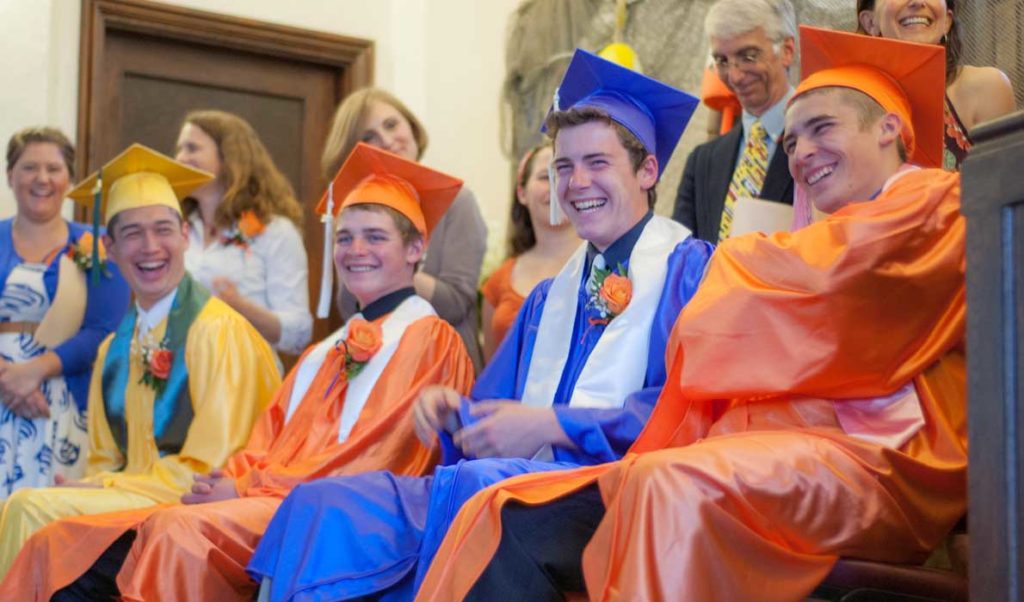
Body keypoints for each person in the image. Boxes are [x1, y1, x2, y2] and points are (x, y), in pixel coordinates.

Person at [417, 27, 967, 602]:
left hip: (883, 451)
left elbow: (816, 295)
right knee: (505, 509)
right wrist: (461, 416)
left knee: (649, 483)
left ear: (889, 128)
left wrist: (727, 270)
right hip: (809, 444)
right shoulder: (550, 297)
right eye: (791, 141)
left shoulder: (931, 201)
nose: (801, 152)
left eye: (822, 128)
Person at [247, 49, 713, 602]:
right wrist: (457, 413)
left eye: (598, 163)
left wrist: (552, 426)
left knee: (479, 493)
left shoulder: (688, 270)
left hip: (615, 490)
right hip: (518, 482)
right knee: (321, 502)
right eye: (564, 166)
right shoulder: (548, 298)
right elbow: (499, 412)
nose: (576, 182)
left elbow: (683, 411)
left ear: (649, 170)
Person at [0, 142, 476, 601]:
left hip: (339, 517)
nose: (356, 250)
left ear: (416, 249)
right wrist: (227, 480)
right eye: (345, 237)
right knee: (59, 546)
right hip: (276, 501)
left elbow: (374, 460)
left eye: (375, 237)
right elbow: (266, 440)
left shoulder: (427, 338)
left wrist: (241, 486)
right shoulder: (324, 351)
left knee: (173, 531)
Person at [0, 143, 281, 578]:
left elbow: (211, 468)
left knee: (32, 508)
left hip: (200, 515)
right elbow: (102, 459)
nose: (150, 247)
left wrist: (105, 486)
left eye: (163, 229)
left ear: (185, 237)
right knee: (31, 510)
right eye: (132, 233)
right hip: (137, 504)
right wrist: (94, 484)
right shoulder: (114, 347)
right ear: (110, 248)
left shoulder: (216, 332)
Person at [0, 127, 130, 497]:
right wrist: (9, 380)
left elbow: (105, 328)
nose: (42, 178)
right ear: (10, 175)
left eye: (53, 168)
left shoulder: (98, 242)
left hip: (66, 402)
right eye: (29, 168)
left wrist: (33, 373)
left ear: (70, 179)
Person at [320, 88, 487, 370]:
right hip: (375, 362)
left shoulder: (456, 201)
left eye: (391, 124)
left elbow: (456, 303)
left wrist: (392, 263)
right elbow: (349, 306)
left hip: (443, 365)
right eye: (368, 137)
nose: (386, 140)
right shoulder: (352, 214)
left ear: (410, 123)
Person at [174, 109, 312, 357]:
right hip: (179, 378)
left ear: (229, 158)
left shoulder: (276, 232)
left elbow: (299, 335)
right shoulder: (176, 228)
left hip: (246, 377)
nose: (180, 158)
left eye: (192, 149)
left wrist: (241, 307)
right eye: (180, 149)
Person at [671, 0, 797, 244]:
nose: (735, 76)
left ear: (787, 50)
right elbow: (683, 258)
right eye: (722, 61)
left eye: (748, 56)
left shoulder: (821, 145)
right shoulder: (702, 162)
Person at [857, 0, 1017, 170]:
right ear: (870, 22)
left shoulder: (986, 87)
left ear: (947, 21)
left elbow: (1005, 187)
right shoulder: (851, 104)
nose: (917, 2)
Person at [481, 143, 578, 361]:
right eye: (545, 177)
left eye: (564, 173)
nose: (556, 185)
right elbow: (490, 373)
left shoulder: (604, 263)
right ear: (521, 192)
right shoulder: (498, 282)